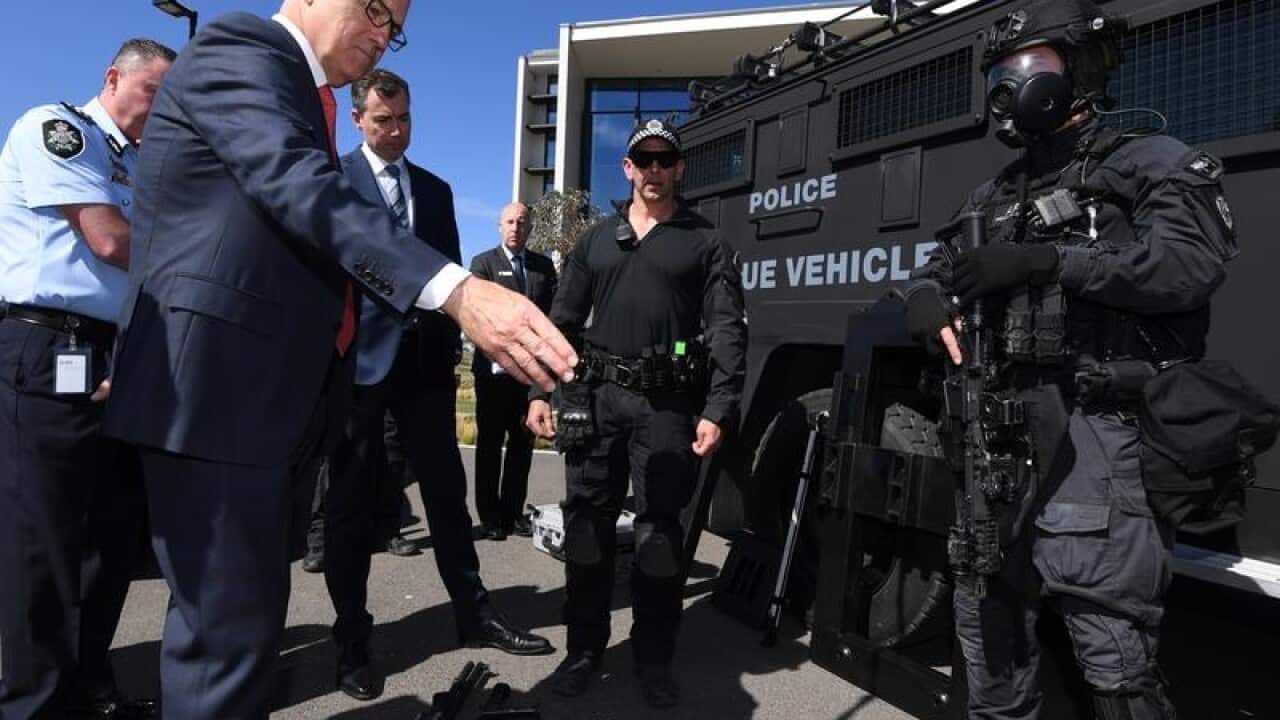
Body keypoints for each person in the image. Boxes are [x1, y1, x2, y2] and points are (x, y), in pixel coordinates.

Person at [99, 3, 575, 718]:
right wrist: (454, 286)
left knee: (246, 631)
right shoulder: (242, 47)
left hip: (277, 405)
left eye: (398, 25)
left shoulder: (305, 95)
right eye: (377, 7)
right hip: (216, 396)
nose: (385, 33)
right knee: (224, 646)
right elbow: (298, 188)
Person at [903, 1, 1237, 717]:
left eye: (1027, 69)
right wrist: (925, 302)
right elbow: (937, 267)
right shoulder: (993, 194)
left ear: (1079, 71)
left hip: (1095, 438)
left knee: (1113, 658)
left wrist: (1050, 260)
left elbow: (1188, 265)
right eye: (999, 74)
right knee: (989, 647)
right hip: (995, 448)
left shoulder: (1151, 163)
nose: (1009, 89)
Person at [321, 69, 553, 702]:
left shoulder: (436, 190)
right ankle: (352, 640)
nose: (395, 132)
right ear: (359, 118)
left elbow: (450, 280)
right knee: (350, 510)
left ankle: (474, 614)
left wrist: (450, 351)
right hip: (359, 370)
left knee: (448, 498)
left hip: (425, 370)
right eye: (382, 122)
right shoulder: (332, 181)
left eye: (404, 121)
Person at [527, 119, 747, 708]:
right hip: (598, 403)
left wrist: (719, 405)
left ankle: (653, 660)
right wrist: (539, 394)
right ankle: (584, 652)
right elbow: (559, 324)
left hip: (667, 409)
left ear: (678, 168)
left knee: (658, 540)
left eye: (664, 160)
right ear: (627, 169)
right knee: (587, 537)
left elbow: (726, 329)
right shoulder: (595, 240)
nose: (653, 170)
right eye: (642, 160)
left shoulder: (706, 241)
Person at [0, 38, 174, 720]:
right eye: (154, 94)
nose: (161, 113)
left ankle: (90, 688)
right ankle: (33, 705)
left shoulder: (141, 166)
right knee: (42, 542)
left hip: (115, 354)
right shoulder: (61, 129)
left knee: (110, 536)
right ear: (113, 77)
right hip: (46, 346)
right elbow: (107, 238)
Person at [471, 202, 558, 540]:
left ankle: (512, 513)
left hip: (529, 378)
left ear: (530, 227)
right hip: (493, 376)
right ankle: (489, 516)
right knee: (490, 446)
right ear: (499, 226)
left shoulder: (543, 267)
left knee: (522, 447)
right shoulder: (483, 264)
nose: (515, 227)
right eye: (509, 221)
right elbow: (483, 317)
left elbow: (551, 317)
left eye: (522, 222)